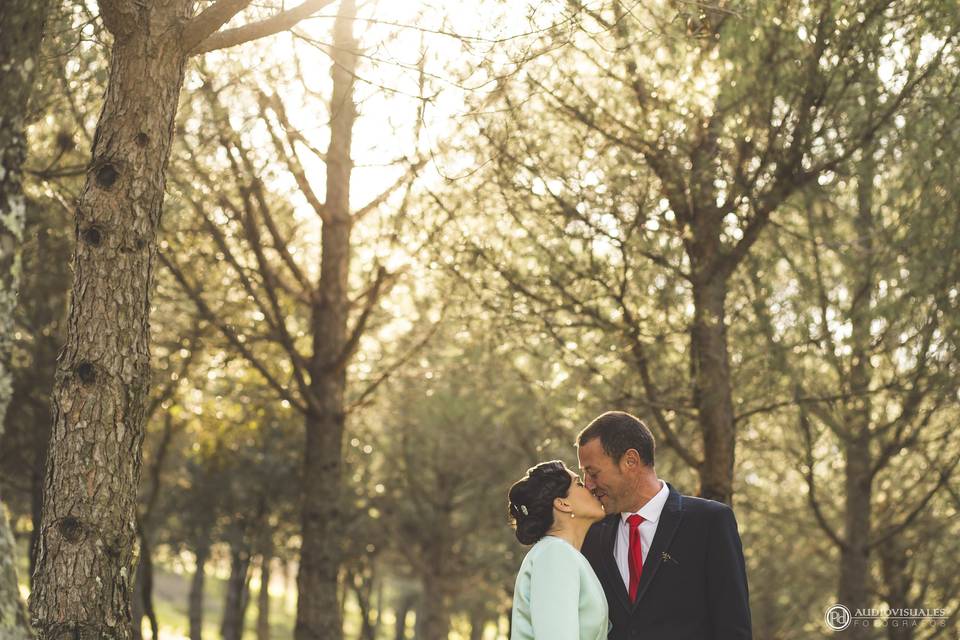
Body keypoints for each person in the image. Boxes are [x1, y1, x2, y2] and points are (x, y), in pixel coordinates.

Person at [577, 411, 752, 640]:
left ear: (630, 461)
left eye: (593, 473)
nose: (588, 485)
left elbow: (733, 628)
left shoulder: (709, 522)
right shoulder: (591, 535)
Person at [508, 460, 610, 640]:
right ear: (563, 504)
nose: (590, 487)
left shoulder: (561, 553)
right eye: (579, 484)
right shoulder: (555, 554)